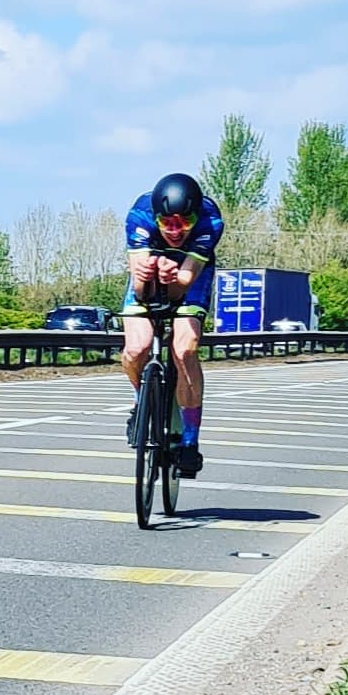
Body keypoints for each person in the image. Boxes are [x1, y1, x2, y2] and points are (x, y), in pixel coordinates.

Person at [122, 172, 224, 479]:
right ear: (156, 217)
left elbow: (184, 285)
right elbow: (141, 292)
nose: (176, 231)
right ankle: (142, 404)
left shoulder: (210, 222)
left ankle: (190, 441)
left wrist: (172, 277)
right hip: (149, 273)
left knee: (184, 350)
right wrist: (148, 276)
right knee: (136, 348)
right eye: (167, 223)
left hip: (190, 278)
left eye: (184, 222)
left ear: (196, 216)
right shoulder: (138, 217)